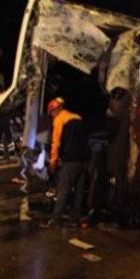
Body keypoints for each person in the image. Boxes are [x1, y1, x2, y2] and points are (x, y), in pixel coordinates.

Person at [43, 97, 89, 228]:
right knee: (79, 192)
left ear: (54, 110)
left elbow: (56, 143)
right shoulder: (78, 118)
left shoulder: (59, 120)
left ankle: (55, 220)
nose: (51, 116)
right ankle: (75, 219)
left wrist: (53, 161)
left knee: (63, 190)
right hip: (84, 160)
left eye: (51, 113)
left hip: (70, 160)